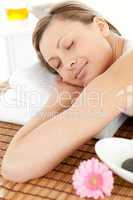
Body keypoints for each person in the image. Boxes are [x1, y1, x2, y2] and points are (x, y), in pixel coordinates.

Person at [1, 0, 133, 183]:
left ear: (101, 26)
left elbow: (15, 165)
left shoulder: (126, 67)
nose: (68, 63)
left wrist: (55, 103)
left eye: (69, 45)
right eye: (57, 65)